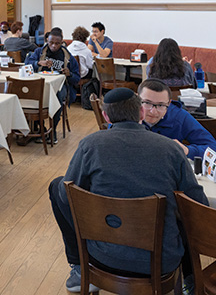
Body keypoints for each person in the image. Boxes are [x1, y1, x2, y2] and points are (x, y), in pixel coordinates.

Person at [48, 87, 208, 292]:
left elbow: (66, 195)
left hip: (102, 255)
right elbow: (198, 204)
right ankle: (191, 280)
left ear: (106, 116)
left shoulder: (90, 145)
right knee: (180, 211)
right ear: (141, 112)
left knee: (58, 185)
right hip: (161, 261)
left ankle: (79, 266)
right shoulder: (171, 149)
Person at [139, 78, 216, 160]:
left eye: (161, 105)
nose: (153, 111)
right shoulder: (129, 114)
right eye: (147, 103)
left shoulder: (179, 116)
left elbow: (212, 148)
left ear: (169, 103)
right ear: (137, 99)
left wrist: (187, 150)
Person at [25, 27, 80, 137]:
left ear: (61, 42)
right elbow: (26, 65)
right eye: (51, 43)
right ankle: (39, 127)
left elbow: (77, 78)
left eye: (57, 43)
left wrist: (69, 74)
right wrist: (38, 63)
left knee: (57, 96)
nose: (54, 46)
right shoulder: (40, 52)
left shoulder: (67, 56)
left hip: (61, 86)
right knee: (30, 93)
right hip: (41, 84)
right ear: (47, 40)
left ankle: (53, 130)